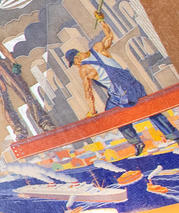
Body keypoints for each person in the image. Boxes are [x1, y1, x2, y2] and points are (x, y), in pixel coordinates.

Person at [67, 18, 179, 151]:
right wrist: (101, 20)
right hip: (135, 87)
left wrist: (92, 112)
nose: (76, 65)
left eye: (74, 63)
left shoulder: (84, 70)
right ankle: (175, 136)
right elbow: (109, 35)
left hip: (121, 95)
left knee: (113, 116)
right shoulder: (98, 48)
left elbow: (88, 93)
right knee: (149, 109)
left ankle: (136, 142)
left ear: (76, 57)